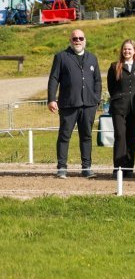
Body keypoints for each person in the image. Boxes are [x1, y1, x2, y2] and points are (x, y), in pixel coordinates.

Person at [47, 28, 101, 179]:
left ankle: (86, 167)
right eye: (75, 38)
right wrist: (51, 99)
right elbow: (53, 79)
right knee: (64, 135)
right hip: (68, 103)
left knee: (86, 136)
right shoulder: (61, 57)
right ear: (70, 41)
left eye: (80, 38)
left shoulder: (92, 58)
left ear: (85, 40)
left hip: (88, 104)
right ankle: (62, 167)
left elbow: (97, 80)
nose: (78, 41)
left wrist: (96, 98)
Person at [106, 39, 135, 178]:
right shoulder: (114, 66)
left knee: (131, 137)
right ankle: (118, 168)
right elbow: (111, 87)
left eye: (130, 49)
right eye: (125, 49)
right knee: (120, 136)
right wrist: (120, 98)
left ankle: (129, 168)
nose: (127, 51)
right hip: (118, 107)